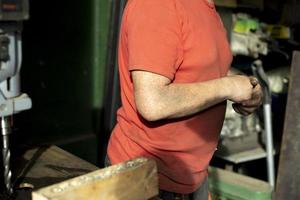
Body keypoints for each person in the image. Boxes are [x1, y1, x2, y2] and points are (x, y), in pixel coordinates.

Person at [107, 0, 263, 199]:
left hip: (192, 175)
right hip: (147, 178)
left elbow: (199, 68)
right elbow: (153, 102)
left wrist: (244, 87)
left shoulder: (205, 6)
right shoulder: (157, 5)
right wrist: (228, 87)